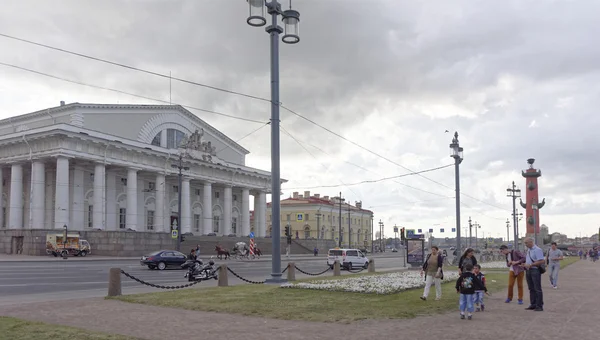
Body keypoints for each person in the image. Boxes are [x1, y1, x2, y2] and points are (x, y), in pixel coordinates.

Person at [522, 237, 545, 312]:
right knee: (531, 288)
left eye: (526, 243)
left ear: (531, 242)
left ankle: (539, 305)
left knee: (537, 288)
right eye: (525, 243)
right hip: (528, 270)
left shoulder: (537, 250)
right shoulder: (528, 250)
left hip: (535, 270)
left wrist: (531, 265)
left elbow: (541, 261)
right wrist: (525, 264)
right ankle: (533, 304)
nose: (525, 244)